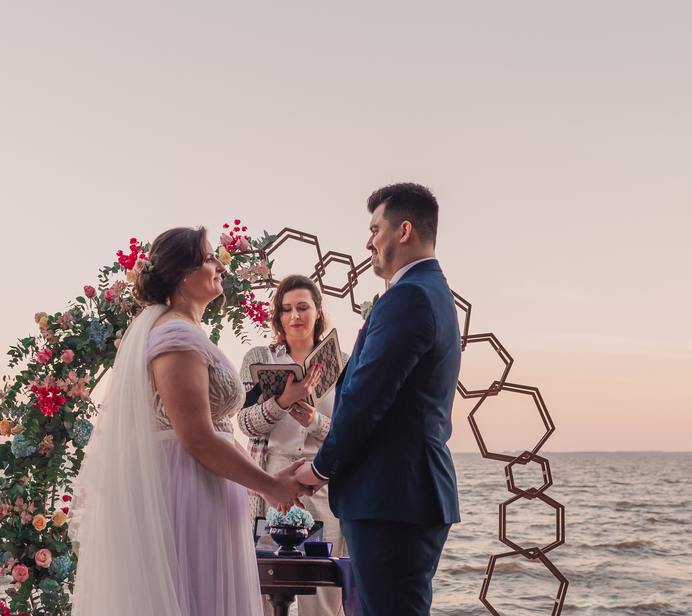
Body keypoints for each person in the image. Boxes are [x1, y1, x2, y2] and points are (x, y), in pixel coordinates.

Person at [70, 227, 313, 616]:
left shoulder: (188, 331)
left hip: (206, 485)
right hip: (185, 488)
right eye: (208, 258)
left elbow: (218, 429)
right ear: (183, 274)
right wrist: (269, 483)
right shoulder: (175, 334)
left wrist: (266, 490)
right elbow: (196, 437)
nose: (219, 265)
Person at [296, 183, 461, 616]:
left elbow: (367, 399)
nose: (368, 240)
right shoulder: (431, 292)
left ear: (403, 230)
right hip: (404, 495)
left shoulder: (409, 296)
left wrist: (317, 469)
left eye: (375, 229)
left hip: (393, 497)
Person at [237, 274, 351, 616]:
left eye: (303, 307)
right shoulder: (260, 357)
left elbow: (351, 436)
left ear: (318, 312)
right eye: (286, 309)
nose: (295, 316)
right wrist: (284, 401)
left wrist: (314, 421)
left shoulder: (344, 364)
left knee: (322, 596)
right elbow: (243, 422)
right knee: (270, 586)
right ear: (277, 315)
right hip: (271, 482)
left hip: (325, 484)